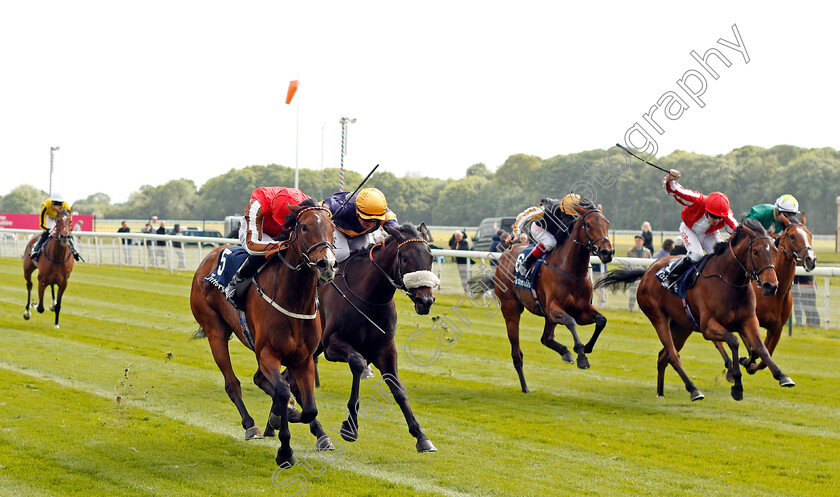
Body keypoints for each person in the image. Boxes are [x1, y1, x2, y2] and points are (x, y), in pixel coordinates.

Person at [224, 186, 312, 301]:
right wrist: (279, 246)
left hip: (287, 230)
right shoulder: (258, 203)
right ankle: (237, 280)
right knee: (262, 254)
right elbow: (252, 245)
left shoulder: (307, 202)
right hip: (260, 232)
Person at [661, 169, 738, 290]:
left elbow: (739, 231)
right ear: (706, 210)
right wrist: (670, 179)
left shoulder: (727, 216)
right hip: (689, 229)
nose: (717, 220)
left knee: (721, 257)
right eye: (713, 216)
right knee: (696, 255)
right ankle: (669, 279)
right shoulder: (698, 200)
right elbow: (676, 190)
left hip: (709, 233)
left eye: (720, 217)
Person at [321, 188, 398, 263]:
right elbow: (322, 208)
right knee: (341, 254)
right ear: (357, 212)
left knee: (363, 255)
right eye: (366, 219)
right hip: (337, 229)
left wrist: (391, 238)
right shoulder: (342, 206)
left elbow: (399, 232)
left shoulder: (384, 213)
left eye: (375, 220)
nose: (370, 224)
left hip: (359, 235)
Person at [511, 193, 581, 277]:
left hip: (556, 230)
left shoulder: (576, 209)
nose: (572, 218)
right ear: (564, 210)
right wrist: (516, 233)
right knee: (551, 243)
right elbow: (523, 216)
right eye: (570, 215)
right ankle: (526, 263)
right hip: (540, 228)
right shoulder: (545, 210)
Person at [29, 192, 81, 262]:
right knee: (46, 234)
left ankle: (74, 251)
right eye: (55, 203)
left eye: (60, 204)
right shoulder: (46, 206)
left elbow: (69, 223)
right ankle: (35, 250)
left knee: (66, 234)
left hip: (61, 217)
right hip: (49, 217)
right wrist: (49, 230)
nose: (58, 206)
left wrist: (67, 231)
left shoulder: (66, 207)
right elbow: (42, 225)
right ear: (52, 202)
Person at [626, 235, 652, 311]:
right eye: (636, 240)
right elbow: (627, 263)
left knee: (643, 294)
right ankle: (631, 308)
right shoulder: (630, 251)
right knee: (632, 292)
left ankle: (642, 309)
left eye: (639, 241)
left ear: (643, 242)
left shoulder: (647, 252)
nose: (637, 242)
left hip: (643, 276)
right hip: (633, 275)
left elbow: (650, 264)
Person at [590, 204, 608, 308]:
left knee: (602, 292)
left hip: (601, 269)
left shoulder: (602, 228)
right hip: (591, 269)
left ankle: (603, 307)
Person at [449, 230, 472, 294]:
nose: (457, 238)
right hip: (459, 263)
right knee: (462, 278)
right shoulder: (455, 242)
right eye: (456, 236)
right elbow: (451, 246)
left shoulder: (464, 242)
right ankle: (465, 291)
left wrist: (456, 250)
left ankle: (470, 291)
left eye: (459, 236)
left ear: (462, 236)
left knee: (468, 277)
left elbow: (463, 250)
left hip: (466, 263)